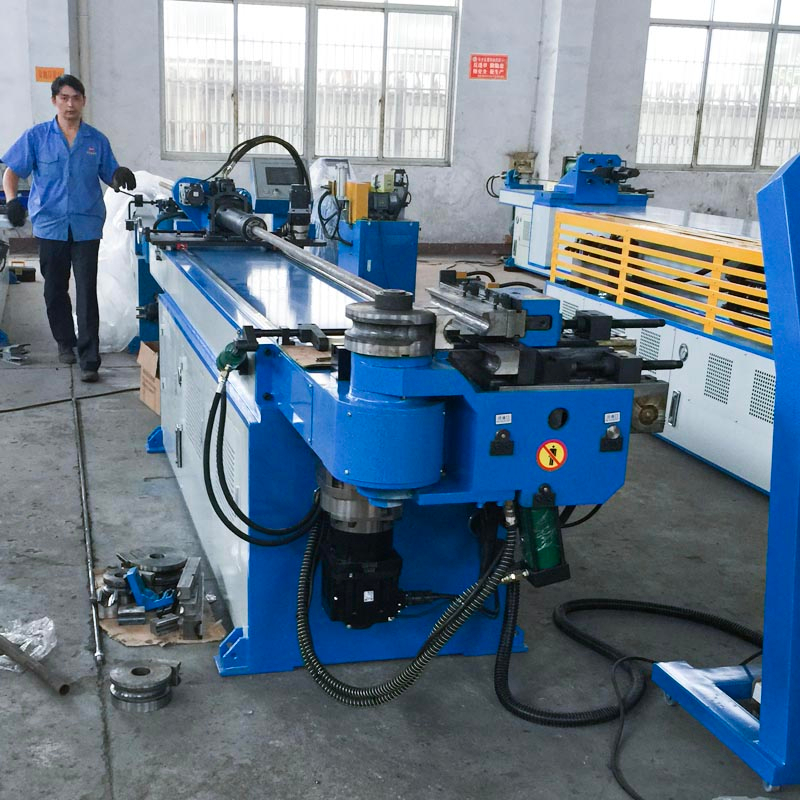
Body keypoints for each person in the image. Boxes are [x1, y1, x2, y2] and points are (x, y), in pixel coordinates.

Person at [1, 74, 135, 382]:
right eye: (64, 98)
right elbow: (11, 172)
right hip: (51, 225)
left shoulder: (96, 141)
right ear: (54, 101)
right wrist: (12, 200)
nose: (70, 104)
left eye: (76, 98)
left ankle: (89, 359)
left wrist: (119, 175)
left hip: (87, 224)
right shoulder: (37, 137)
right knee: (54, 288)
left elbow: (110, 174)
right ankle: (65, 341)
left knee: (86, 291)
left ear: (83, 101)